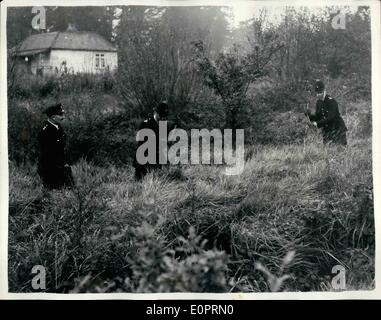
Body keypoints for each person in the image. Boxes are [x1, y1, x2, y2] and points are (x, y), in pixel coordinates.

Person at [133, 101, 175, 180]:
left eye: (164, 116)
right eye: (161, 115)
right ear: (155, 112)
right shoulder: (145, 125)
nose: (162, 118)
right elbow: (142, 147)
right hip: (143, 161)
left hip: (156, 163)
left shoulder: (164, 125)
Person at [37, 103, 74, 189]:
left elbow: (62, 147)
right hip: (50, 168)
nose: (63, 117)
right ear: (53, 117)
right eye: (60, 114)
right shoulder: (46, 131)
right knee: (55, 191)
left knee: (70, 189)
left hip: (60, 165)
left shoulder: (58, 127)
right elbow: (47, 152)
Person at [307, 80, 347, 146]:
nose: (318, 94)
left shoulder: (331, 101)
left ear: (324, 91)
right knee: (327, 150)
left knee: (340, 151)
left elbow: (330, 117)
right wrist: (309, 115)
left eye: (320, 92)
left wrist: (317, 123)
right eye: (317, 92)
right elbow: (318, 116)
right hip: (327, 131)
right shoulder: (319, 103)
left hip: (337, 130)